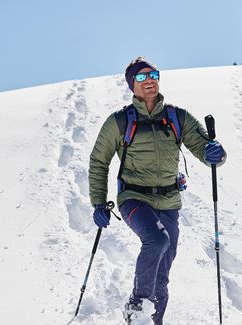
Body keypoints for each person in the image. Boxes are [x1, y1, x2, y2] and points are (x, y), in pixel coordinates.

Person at [88, 57, 227, 325]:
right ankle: (137, 305)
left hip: (169, 201)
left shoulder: (177, 117)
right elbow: (98, 161)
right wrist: (98, 202)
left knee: (162, 274)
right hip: (134, 198)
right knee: (157, 240)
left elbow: (206, 151)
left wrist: (217, 154)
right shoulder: (118, 122)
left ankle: (154, 321)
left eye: (153, 74)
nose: (149, 80)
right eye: (141, 77)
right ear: (132, 85)